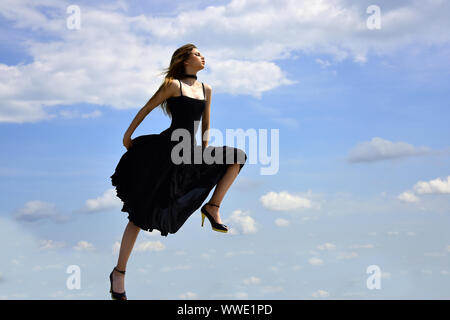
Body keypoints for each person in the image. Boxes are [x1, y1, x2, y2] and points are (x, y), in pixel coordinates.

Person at [108, 44, 247, 300]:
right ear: (184, 60)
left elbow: (206, 124)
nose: (202, 56)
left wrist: (204, 155)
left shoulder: (207, 89)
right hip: (164, 152)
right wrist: (127, 135)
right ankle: (119, 273)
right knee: (139, 217)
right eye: (197, 53)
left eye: (202, 53)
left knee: (237, 157)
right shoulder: (173, 85)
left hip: (188, 153)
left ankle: (213, 207)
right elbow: (147, 109)